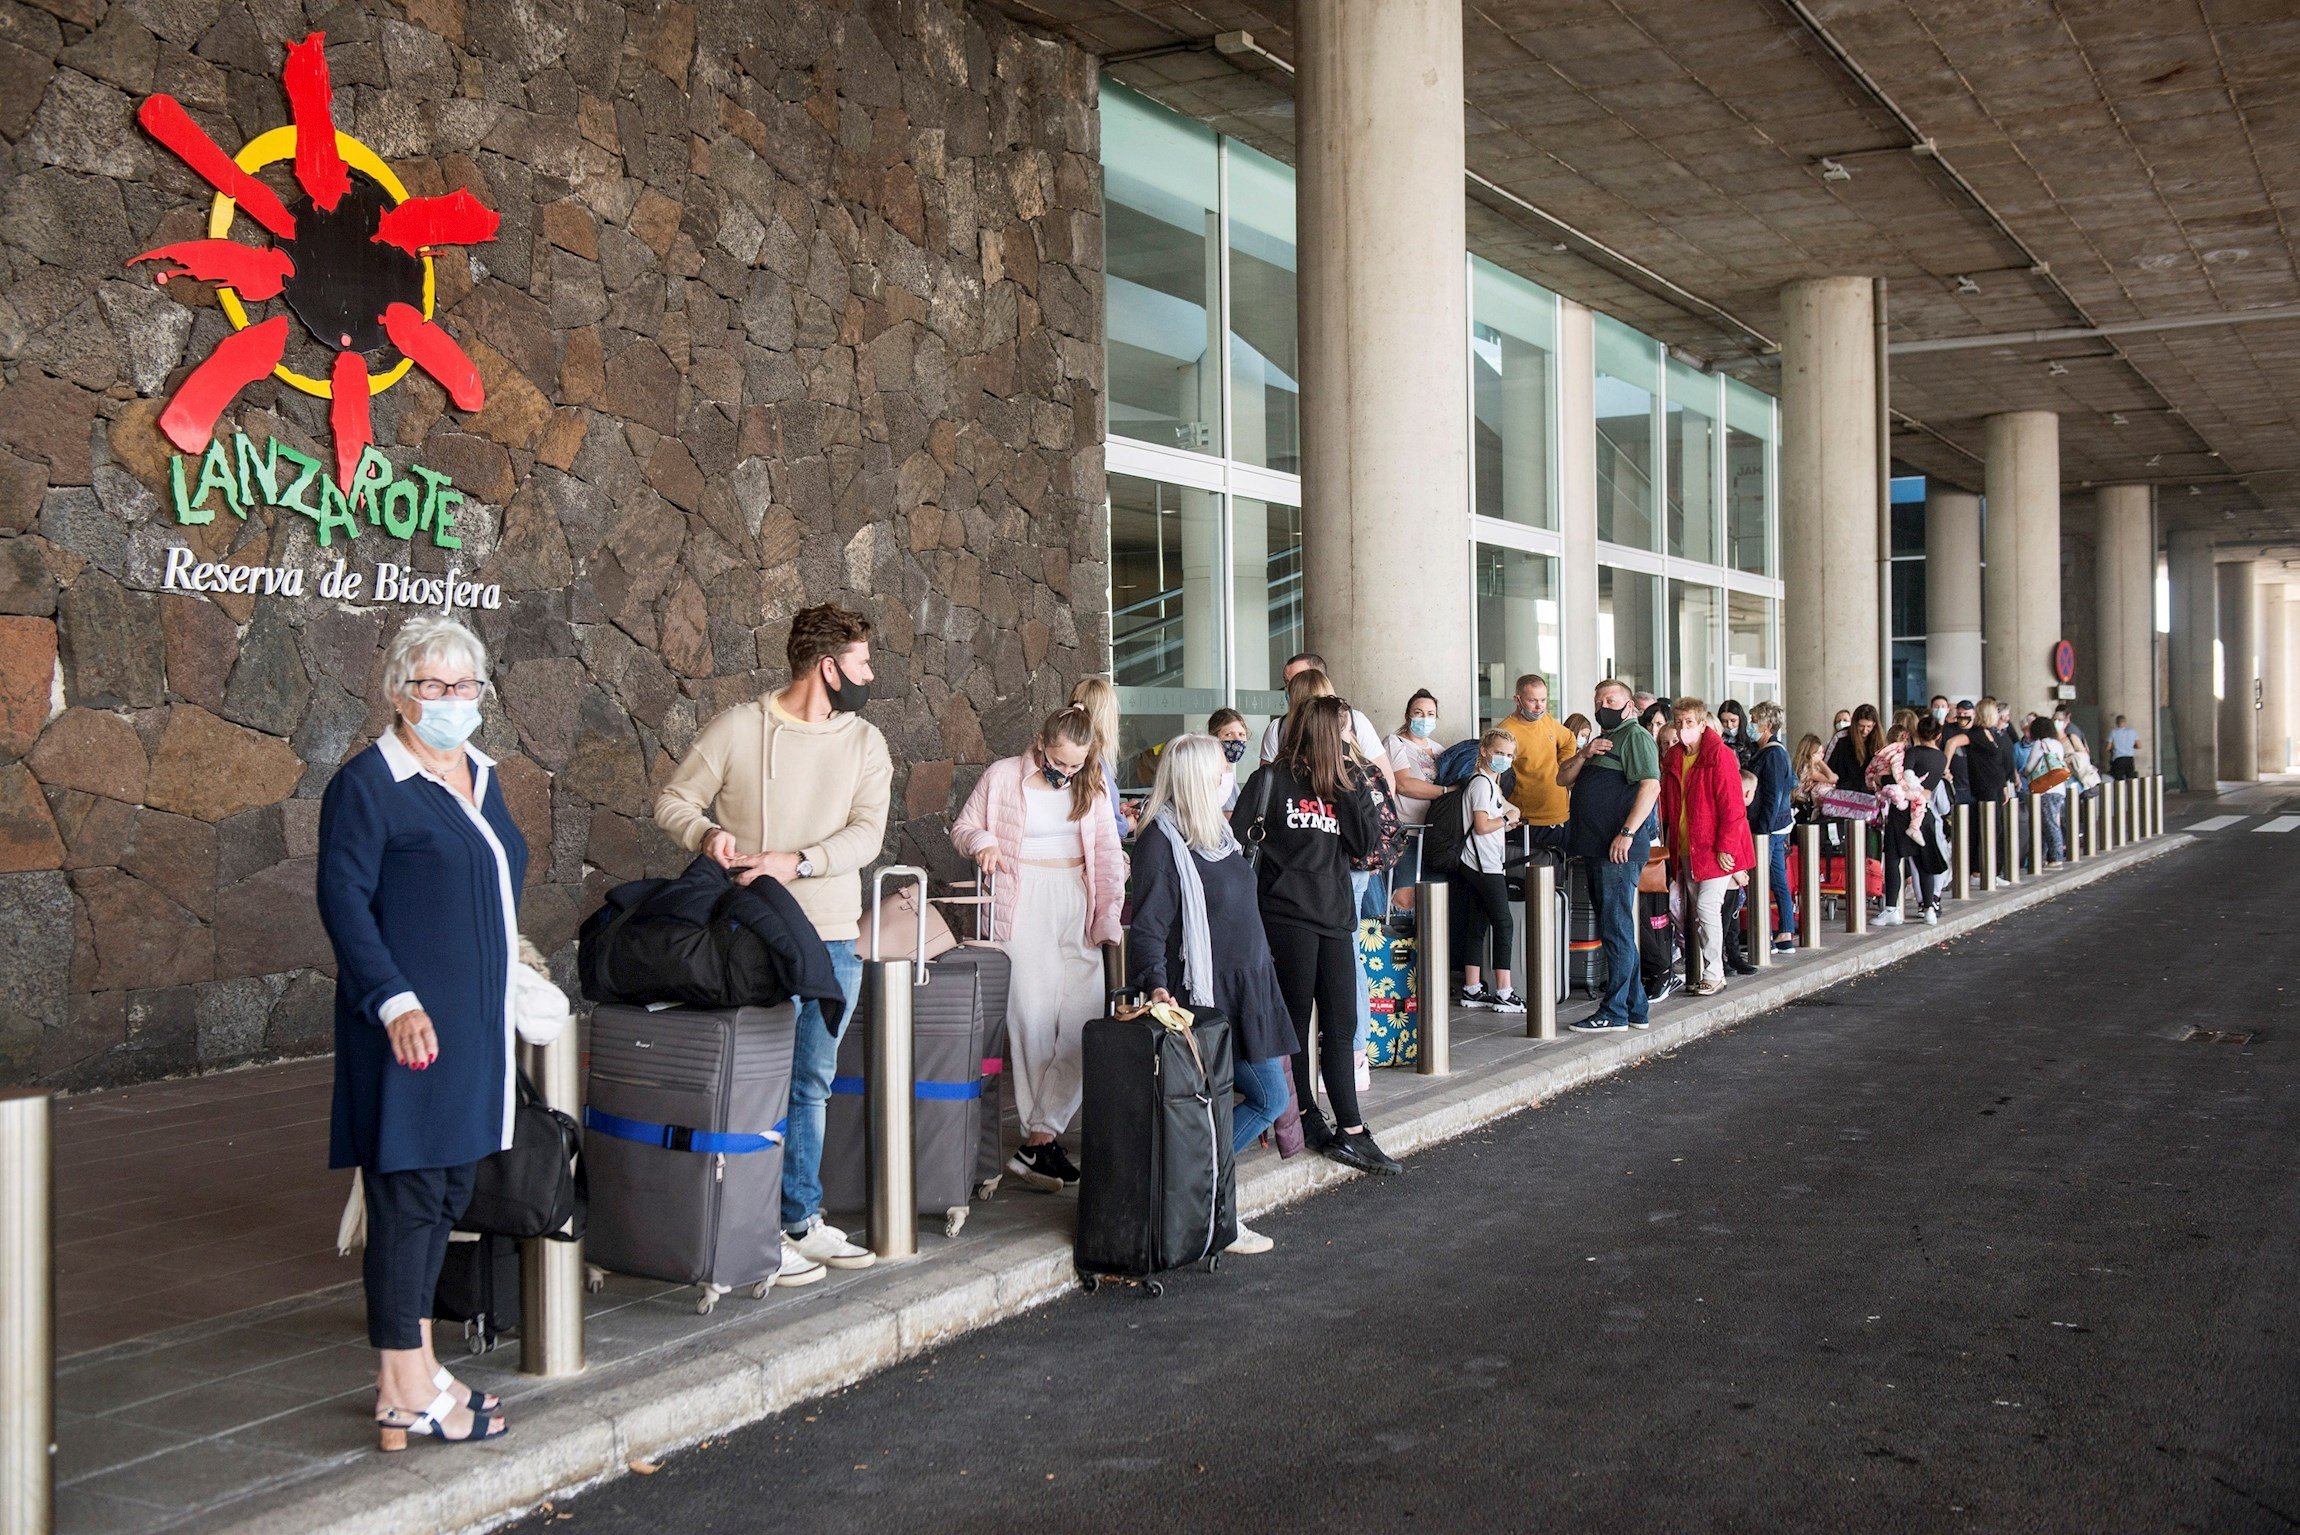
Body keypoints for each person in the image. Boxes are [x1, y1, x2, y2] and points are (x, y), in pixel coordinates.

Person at [317, 615, 520, 1449]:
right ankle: (400, 1386)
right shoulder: (368, 784)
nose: (452, 700)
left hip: (471, 1028)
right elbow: (343, 902)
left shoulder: (481, 770)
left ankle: (420, 1365)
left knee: (441, 1194)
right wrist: (393, 998)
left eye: (465, 685)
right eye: (435, 685)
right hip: (408, 1028)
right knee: (405, 1196)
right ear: (399, 691)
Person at [657, 603, 891, 1285]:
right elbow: (673, 798)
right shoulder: (737, 728)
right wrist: (705, 835)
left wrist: (798, 860)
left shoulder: (865, 742)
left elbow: (867, 834)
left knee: (811, 1082)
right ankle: (751, 1227)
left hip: (832, 936)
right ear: (828, 667)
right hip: (749, 936)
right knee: (751, 1086)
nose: (870, 673)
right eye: (862, 661)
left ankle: (799, 1216)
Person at [1126, 734, 1296, 1255]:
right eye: (1221, 768)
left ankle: (1201, 1200)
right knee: (1263, 1098)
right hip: (1204, 997)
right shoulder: (1162, 839)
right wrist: (1155, 985)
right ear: (1198, 778)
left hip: (1248, 986)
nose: (1229, 776)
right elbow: (1149, 925)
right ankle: (1209, 1203)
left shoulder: (1215, 833)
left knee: (1253, 1100)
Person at [951, 706, 1127, 1192]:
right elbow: (962, 828)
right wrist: (984, 841)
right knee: (1030, 1018)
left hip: (1076, 896)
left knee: (1087, 1020)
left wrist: (1107, 916)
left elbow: (1110, 857)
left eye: (1076, 764)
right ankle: (1041, 1137)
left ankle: (1040, 1135)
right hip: (1020, 898)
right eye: (1059, 761)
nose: (1066, 772)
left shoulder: (1090, 784)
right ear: (1041, 744)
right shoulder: (1003, 776)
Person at [1233, 695, 1401, 1174]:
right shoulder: (1270, 780)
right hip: (1285, 916)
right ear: (1324, 731)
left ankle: (1350, 1128)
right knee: (1295, 1021)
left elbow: (1366, 844)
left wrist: (1345, 779)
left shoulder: (1344, 782)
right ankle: (1303, 1113)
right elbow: (1241, 840)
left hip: (1334, 916)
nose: (1349, 737)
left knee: (1342, 1023)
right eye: (1343, 730)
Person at [1558, 679, 1662, 1032]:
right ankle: (1635, 1008)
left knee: (1616, 928)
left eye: (1612, 699)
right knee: (1613, 926)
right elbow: (1562, 778)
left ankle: (1614, 1011)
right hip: (1596, 847)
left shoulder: (1635, 736)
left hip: (1617, 849)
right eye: (1599, 699)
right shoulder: (1602, 742)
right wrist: (1584, 753)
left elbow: (1650, 786)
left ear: (1630, 706)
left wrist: (1628, 833)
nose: (1604, 705)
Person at [1657, 698, 1754, 997]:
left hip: (1713, 847)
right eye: (1679, 723)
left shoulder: (1720, 756)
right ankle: (1706, 969)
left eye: (1689, 723)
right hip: (1687, 847)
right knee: (1697, 913)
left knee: (1707, 907)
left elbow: (1733, 806)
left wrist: (1726, 848)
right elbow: (1669, 805)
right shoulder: (1674, 757)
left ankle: (1714, 972)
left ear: (1702, 724)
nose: (1684, 728)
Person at [1454, 727, 1527, 1013]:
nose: (1504, 759)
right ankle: (1504, 991)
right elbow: (1483, 825)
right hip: (1485, 864)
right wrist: (1508, 820)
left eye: (1509, 755)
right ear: (1484, 751)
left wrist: (1509, 813)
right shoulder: (1482, 784)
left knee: (1478, 923)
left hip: (1476, 863)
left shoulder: (1487, 784)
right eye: (1499, 753)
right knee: (1504, 923)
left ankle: (1472, 988)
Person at [1255, 652, 1396, 789]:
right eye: (1287, 682)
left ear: (1319, 680)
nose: (1291, 688)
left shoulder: (1354, 720)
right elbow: (1266, 784)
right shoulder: (1279, 727)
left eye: (1300, 679)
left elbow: (1386, 779)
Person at [1871, 716, 1947, 925]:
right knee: (1925, 863)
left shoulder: (1912, 753)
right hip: (1924, 812)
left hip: (1901, 812)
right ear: (1938, 735)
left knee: (1894, 860)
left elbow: (1898, 779)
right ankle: (1929, 908)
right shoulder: (1941, 758)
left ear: (1916, 734)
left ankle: (1891, 909)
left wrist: (1879, 779)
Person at [1495, 674, 1579, 829]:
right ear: (1517, 700)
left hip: (1561, 814)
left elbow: (1569, 739)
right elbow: (1495, 775)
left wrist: (1562, 767)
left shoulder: (1546, 719)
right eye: (1532, 700)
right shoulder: (1506, 732)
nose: (1539, 706)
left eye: (1543, 700)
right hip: (1528, 820)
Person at [1747, 702, 1797, 955]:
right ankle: (1785, 932)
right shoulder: (1771, 752)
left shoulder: (1773, 754)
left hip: (1769, 829)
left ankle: (1767, 934)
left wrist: (1762, 832)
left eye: (1753, 719)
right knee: (1776, 879)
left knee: (1763, 880)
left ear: (1766, 725)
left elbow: (1773, 795)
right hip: (1775, 827)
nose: (1750, 723)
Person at [1385, 689, 1447, 887]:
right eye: (1418, 712)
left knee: (1435, 900)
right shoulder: (1395, 743)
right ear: (1408, 715)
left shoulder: (1440, 750)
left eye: (1430, 714)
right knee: (1403, 899)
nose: (1424, 718)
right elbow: (1404, 784)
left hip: (1435, 837)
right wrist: (1446, 791)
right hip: (1406, 834)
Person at [1070, 675, 1136, 837]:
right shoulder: (1095, 764)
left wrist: (1115, 808)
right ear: (1107, 716)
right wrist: (1125, 825)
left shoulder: (1063, 755)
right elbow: (1104, 828)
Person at [2023, 715, 2069, 866]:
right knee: (2047, 823)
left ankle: (2056, 857)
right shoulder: (2057, 743)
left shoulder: (2040, 743)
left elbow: (2030, 767)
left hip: (2044, 789)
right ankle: (2041, 856)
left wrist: (2024, 772)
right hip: (2058, 788)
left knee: (2048, 824)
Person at [1209, 707, 1251, 809]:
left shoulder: (1227, 772)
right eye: (1228, 734)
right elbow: (1229, 817)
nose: (1237, 739)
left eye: (1241, 734)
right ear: (1213, 738)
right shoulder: (1215, 775)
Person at [2108, 714, 2141, 780]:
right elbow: (2139, 746)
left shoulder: (2113, 732)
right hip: (2129, 758)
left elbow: (2108, 747)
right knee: (2131, 779)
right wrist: (2130, 746)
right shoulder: (2133, 732)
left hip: (2118, 759)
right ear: (2125, 722)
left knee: (2118, 780)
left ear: (2117, 722)